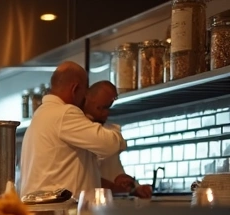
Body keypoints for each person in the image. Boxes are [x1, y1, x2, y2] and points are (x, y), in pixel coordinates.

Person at [20, 62, 126, 197]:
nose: (85, 98)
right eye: (85, 92)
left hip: (44, 208)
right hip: (61, 212)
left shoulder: (42, 115)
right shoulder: (65, 113)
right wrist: (118, 135)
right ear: (75, 89)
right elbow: (110, 145)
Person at [83, 81, 152, 199]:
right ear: (86, 99)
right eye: (101, 107)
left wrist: (133, 187)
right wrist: (114, 188)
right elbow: (86, 178)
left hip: (106, 207)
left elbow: (116, 173)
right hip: (85, 203)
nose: (106, 113)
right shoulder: (76, 131)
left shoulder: (107, 134)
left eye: (108, 107)